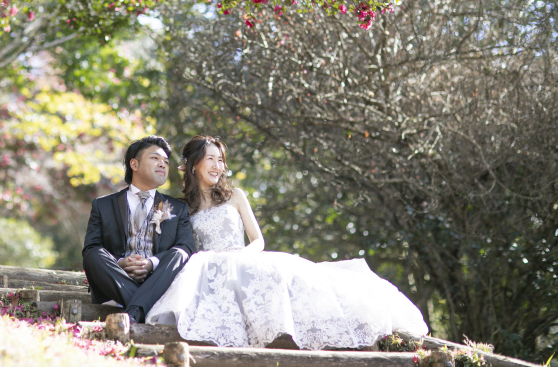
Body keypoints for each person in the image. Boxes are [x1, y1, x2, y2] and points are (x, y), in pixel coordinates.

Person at [145, 135, 429, 349]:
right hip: (206, 270)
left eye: (221, 160)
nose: (218, 166)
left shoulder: (236, 197)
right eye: (211, 159)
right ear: (193, 165)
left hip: (243, 258)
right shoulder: (183, 210)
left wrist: (243, 256)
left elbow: (258, 240)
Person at [82, 135, 195, 325]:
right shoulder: (103, 205)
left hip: (159, 281)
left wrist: (151, 263)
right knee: (93, 254)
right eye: (155, 158)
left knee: (180, 253)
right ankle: (144, 306)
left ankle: (134, 311)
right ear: (134, 164)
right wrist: (121, 263)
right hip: (116, 281)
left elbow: (187, 247)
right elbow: (92, 247)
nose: (162, 164)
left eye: (166, 162)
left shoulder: (178, 208)